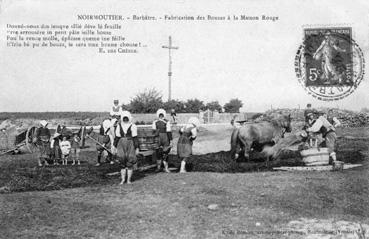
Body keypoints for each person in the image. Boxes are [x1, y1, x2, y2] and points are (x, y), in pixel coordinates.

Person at [113, 111, 139, 184]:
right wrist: (114, 147)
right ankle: (123, 179)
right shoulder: (119, 126)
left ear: (129, 118)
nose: (125, 120)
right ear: (122, 119)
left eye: (126, 118)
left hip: (130, 143)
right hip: (121, 143)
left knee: (130, 160)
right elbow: (117, 137)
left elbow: (135, 138)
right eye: (124, 118)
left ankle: (129, 180)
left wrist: (137, 148)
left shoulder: (133, 126)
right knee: (122, 159)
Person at [152, 109, 173, 173]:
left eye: (162, 114)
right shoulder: (155, 121)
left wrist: (171, 140)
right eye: (160, 115)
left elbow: (169, 132)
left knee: (165, 152)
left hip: (165, 137)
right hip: (158, 137)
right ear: (158, 115)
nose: (161, 116)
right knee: (158, 152)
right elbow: (153, 131)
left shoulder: (167, 122)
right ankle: (158, 167)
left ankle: (166, 168)